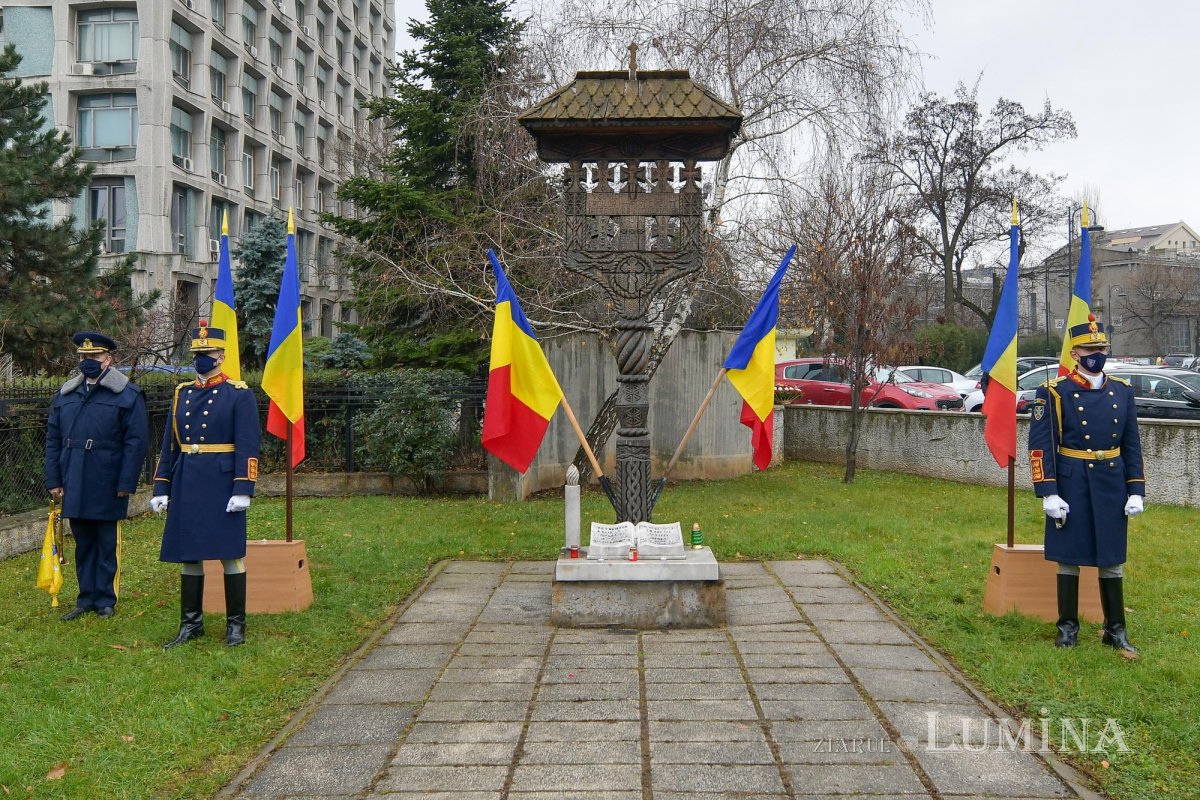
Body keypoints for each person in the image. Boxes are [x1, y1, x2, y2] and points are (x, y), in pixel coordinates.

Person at [1028, 314, 1144, 658]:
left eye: (1102, 347)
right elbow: (1041, 445)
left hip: (1110, 480)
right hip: (1072, 480)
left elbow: (1132, 443)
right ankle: (1067, 628)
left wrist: (1136, 488)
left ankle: (1115, 630)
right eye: (1090, 348)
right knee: (1070, 556)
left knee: (1111, 557)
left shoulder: (1122, 392)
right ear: (1075, 353)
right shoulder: (1054, 392)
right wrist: (1048, 491)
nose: (1097, 353)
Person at [152, 321, 260, 648]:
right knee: (189, 555)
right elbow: (170, 445)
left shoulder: (238, 394)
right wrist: (161, 487)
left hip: (223, 481)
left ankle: (235, 627)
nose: (202, 358)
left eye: (208, 352)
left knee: (229, 554)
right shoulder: (181, 393)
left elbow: (248, 444)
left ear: (221, 356)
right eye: (197, 352)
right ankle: (191, 625)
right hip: (187, 479)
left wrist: (243, 488)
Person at [43, 332, 148, 620]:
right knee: (83, 540)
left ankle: (105, 599)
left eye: (94, 357)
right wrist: (54, 479)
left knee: (105, 542)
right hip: (74, 476)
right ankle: (85, 597)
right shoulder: (66, 394)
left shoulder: (127, 394)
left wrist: (126, 483)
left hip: (107, 478)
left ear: (108, 360)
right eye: (84, 357)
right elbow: (53, 438)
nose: (88, 362)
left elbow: (136, 443)